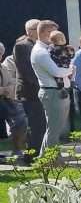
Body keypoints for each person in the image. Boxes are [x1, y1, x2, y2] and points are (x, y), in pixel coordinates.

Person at [30, 20, 74, 154]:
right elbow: (57, 72)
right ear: (44, 32)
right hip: (52, 92)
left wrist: (69, 70)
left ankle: (45, 159)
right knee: (54, 130)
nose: (56, 35)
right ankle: (52, 160)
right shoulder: (40, 52)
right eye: (52, 32)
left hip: (58, 91)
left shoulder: (51, 49)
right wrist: (70, 69)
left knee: (55, 129)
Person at [15, 19, 46, 156]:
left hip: (41, 90)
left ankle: (41, 153)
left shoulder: (40, 45)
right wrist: (43, 83)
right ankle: (31, 156)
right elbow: (26, 71)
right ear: (30, 31)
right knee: (34, 126)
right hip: (30, 92)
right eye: (38, 28)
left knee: (41, 125)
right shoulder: (22, 46)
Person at [0, 42, 28, 158]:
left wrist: (6, 89)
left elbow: (12, 83)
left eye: (0, 53)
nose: (0, 56)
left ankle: (18, 149)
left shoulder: (3, 67)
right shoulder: (8, 62)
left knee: (20, 120)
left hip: (5, 100)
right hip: (4, 99)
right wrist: (5, 89)